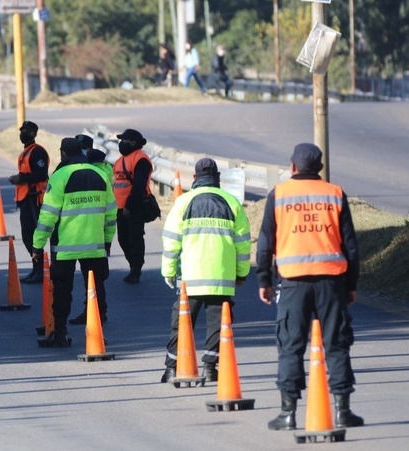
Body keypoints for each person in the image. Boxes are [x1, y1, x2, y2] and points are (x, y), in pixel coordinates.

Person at [257, 144, 364, 431]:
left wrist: (265, 281)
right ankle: (343, 410)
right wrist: (351, 286)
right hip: (331, 282)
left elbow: (266, 242)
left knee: (290, 347)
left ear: (292, 167)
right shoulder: (335, 194)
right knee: (337, 344)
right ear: (320, 168)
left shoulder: (278, 195)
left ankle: (288, 413)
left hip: (292, 283)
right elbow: (351, 247)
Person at [160, 158, 251, 384]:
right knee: (217, 325)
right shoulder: (232, 203)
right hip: (221, 278)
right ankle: (210, 368)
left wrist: (169, 272)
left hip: (190, 279)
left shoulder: (183, 202)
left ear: (195, 178)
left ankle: (172, 368)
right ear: (218, 177)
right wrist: (241, 274)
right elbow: (243, 245)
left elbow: (171, 242)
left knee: (181, 324)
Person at [33, 138, 116, 347]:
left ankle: (60, 333)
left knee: (62, 292)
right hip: (95, 245)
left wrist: (37, 245)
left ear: (63, 154)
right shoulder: (100, 174)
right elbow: (111, 213)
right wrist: (107, 241)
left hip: (65, 248)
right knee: (95, 292)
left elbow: (48, 216)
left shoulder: (59, 176)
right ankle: (98, 336)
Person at [9, 121, 50, 285]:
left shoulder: (37, 151)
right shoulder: (26, 152)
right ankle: (36, 268)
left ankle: (40, 269)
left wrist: (21, 178)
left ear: (34, 134)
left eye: (27, 131)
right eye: (22, 131)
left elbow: (41, 174)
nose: (23, 134)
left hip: (34, 198)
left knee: (33, 235)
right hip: (26, 198)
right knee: (27, 235)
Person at [113, 129, 153, 284]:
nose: (121, 143)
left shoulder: (141, 159)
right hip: (120, 206)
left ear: (134, 143)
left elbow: (139, 186)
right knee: (123, 239)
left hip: (135, 206)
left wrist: (129, 206)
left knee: (135, 238)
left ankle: (136, 269)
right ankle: (133, 265)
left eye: (124, 140)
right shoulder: (119, 160)